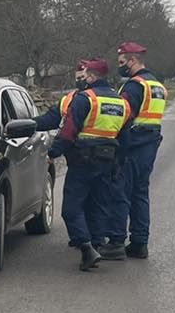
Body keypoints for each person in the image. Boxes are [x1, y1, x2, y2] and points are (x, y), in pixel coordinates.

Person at [48, 58, 130, 272]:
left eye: (85, 75)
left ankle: (86, 247)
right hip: (108, 160)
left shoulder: (86, 99)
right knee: (99, 205)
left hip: (83, 160)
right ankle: (96, 244)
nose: (83, 79)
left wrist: (53, 152)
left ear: (92, 76)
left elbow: (68, 130)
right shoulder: (121, 102)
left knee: (71, 208)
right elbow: (125, 135)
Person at [112, 40, 166, 259]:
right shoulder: (157, 86)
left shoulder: (135, 85)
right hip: (150, 144)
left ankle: (116, 242)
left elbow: (123, 114)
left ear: (133, 61)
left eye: (122, 62)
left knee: (121, 193)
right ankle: (139, 242)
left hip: (132, 145)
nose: (120, 66)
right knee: (140, 194)